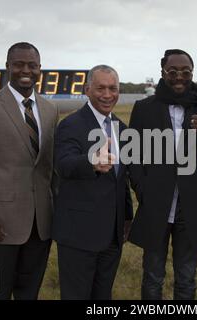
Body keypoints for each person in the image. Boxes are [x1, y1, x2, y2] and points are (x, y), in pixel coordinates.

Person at [0, 42, 59, 299]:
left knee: (29, 294)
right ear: (7, 67)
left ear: (40, 69)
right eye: (19, 64)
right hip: (0, 227)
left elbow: (49, 169)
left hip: (41, 227)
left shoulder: (50, 110)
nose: (25, 70)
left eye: (32, 65)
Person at [128, 49, 197, 299]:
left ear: (192, 74)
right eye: (173, 72)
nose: (179, 77)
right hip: (155, 204)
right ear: (163, 73)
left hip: (189, 206)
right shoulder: (144, 108)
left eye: (186, 72)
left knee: (186, 277)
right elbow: (133, 156)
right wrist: (143, 190)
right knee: (152, 276)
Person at [53, 65, 133, 300]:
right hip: (79, 234)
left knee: (102, 296)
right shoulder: (71, 124)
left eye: (113, 88)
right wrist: (91, 162)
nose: (107, 95)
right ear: (87, 90)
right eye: (100, 88)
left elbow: (122, 179)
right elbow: (63, 164)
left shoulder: (121, 128)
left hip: (112, 235)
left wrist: (126, 216)